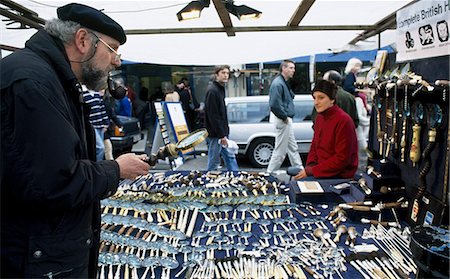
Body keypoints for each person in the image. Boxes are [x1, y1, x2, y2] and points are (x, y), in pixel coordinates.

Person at [0, 3, 151, 278]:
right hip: (32, 259)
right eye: (113, 49)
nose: (116, 61)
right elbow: (53, 183)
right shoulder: (32, 83)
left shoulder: (50, 79)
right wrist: (116, 170)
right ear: (83, 41)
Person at [294, 80, 358, 180]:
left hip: (339, 176)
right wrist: (309, 167)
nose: (316, 102)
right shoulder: (320, 117)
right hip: (320, 171)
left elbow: (342, 159)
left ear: (332, 99)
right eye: (314, 98)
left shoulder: (344, 120)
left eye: (321, 98)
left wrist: (311, 171)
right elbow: (315, 146)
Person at [266, 60, 304, 174]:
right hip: (283, 119)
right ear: (283, 68)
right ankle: (270, 172)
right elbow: (273, 104)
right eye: (291, 68)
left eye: (293, 68)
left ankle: (300, 170)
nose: (293, 70)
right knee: (280, 150)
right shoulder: (278, 83)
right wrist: (284, 117)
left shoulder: (282, 82)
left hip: (284, 118)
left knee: (292, 147)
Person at [204, 65, 239, 171]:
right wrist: (221, 135)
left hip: (221, 132)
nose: (226, 75)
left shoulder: (219, 89)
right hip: (216, 134)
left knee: (229, 157)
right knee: (214, 161)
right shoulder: (213, 91)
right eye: (223, 73)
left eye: (227, 73)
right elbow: (213, 116)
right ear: (216, 75)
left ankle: (236, 178)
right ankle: (208, 183)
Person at [83, 86, 110, 161]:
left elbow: (102, 109)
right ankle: (97, 165)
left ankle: (97, 165)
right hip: (91, 126)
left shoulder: (97, 94)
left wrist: (106, 123)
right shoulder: (83, 94)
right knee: (101, 147)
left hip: (100, 125)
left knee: (96, 148)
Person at [103, 90, 123, 160]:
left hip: (101, 129)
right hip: (102, 129)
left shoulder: (104, 103)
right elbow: (112, 115)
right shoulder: (105, 103)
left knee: (105, 148)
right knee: (107, 148)